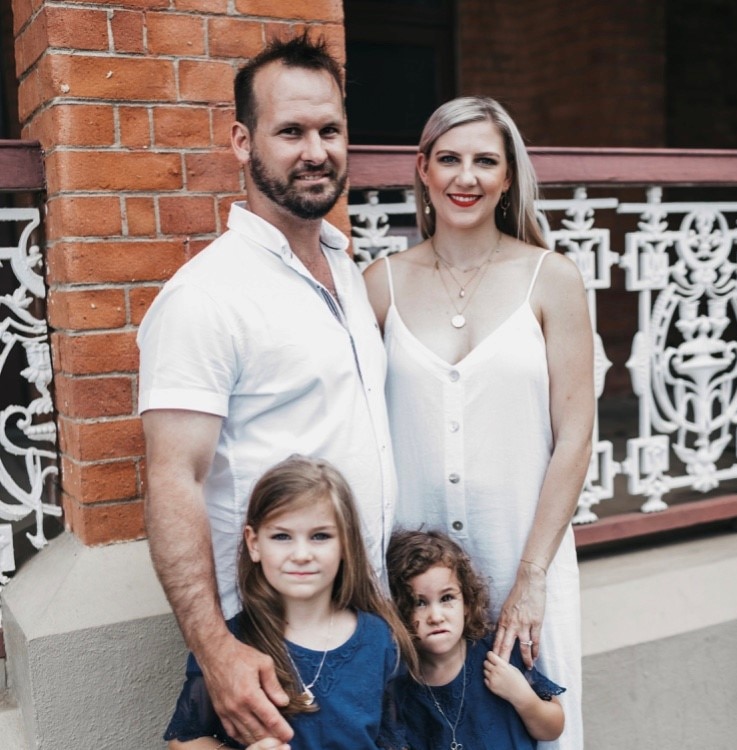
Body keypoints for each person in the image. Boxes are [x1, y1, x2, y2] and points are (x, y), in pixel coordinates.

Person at [137, 33, 396, 747]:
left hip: (358, 627)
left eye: (330, 130)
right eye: (291, 132)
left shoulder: (347, 270)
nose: (316, 150)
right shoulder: (206, 297)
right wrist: (218, 651)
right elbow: (173, 479)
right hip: (265, 648)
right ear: (242, 142)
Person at [363, 96, 594, 750]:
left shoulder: (552, 280)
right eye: (450, 159)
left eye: (485, 161)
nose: (466, 176)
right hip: (420, 585)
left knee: (538, 727)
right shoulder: (378, 284)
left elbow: (575, 436)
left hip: (526, 549)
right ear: (424, 171)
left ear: (508, 177)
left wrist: (531, 577)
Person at [164, 455, 416, 749]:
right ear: (254, 544)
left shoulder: (380, 639)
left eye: (320, 536)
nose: (301, 554)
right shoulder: (231, 645)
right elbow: (184, 741)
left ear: (346, 544)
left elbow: (397, 738)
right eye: (282, 536)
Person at [386, 530, 565, 749]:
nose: (436, 616)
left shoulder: (499, 655)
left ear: (467, 604)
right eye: (419, 603)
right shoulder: (403, 686)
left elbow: (553, 728)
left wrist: (522, 697)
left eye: (447, 598)